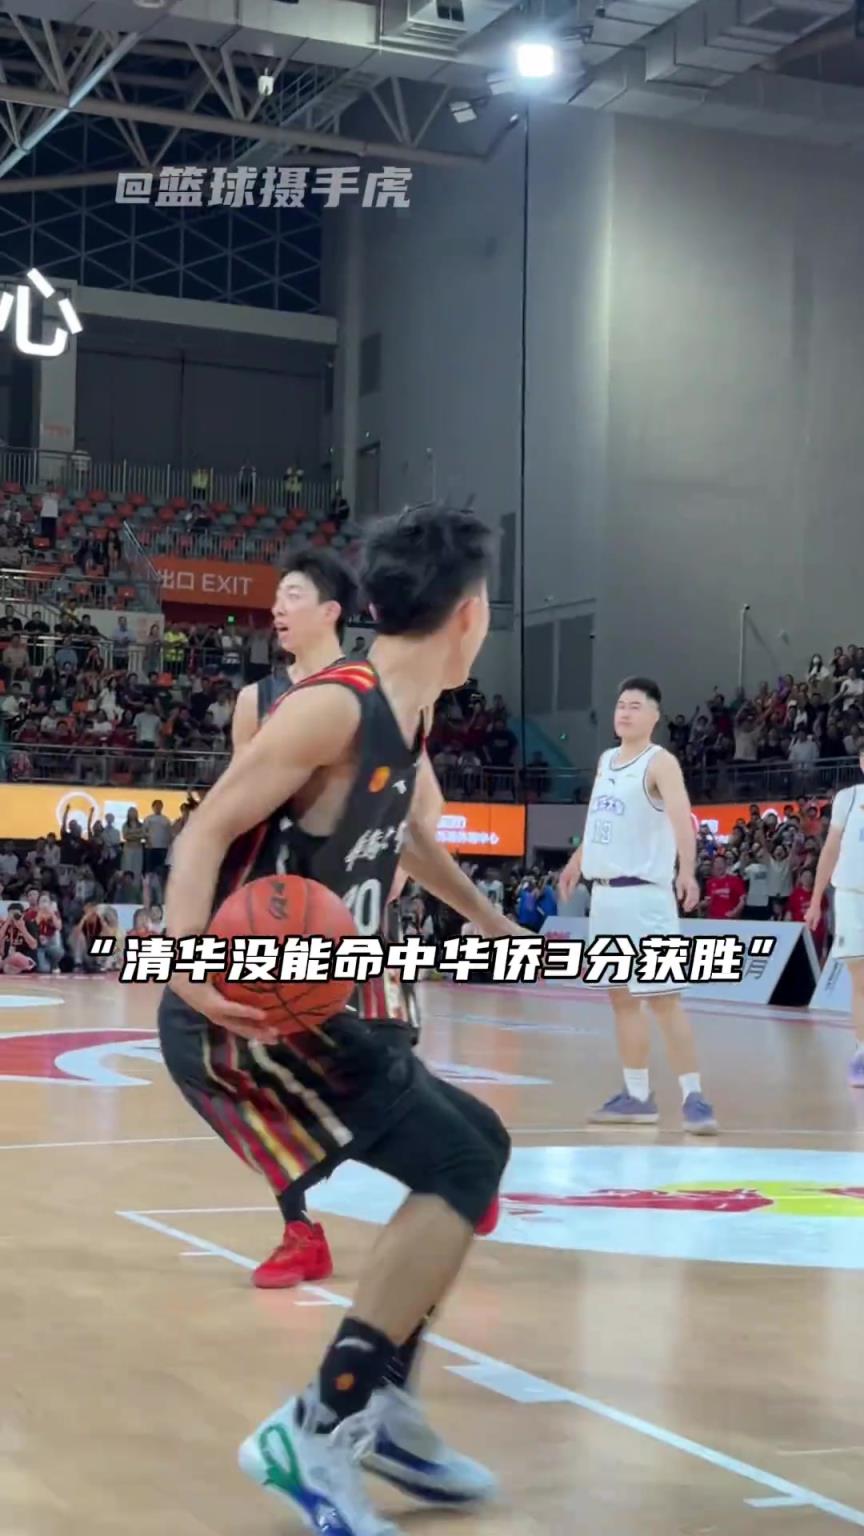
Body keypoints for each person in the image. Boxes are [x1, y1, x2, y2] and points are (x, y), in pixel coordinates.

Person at [159, 505, 514, 1529]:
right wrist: (184, 961)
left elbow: (405, 838)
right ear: (468, 613)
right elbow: (203, 832)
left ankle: (382, 1407)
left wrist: (491, 919)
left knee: (477, 1146)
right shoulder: (333, 709)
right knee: (459, 1161)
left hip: (313, 996)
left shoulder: (409, 716)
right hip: (245, 1009)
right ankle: (319, 1427)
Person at [559, 676, 717, 1135]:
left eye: (635, 706)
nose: (624, 712)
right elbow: (599, 823)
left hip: (646, 897)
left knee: (663, 1000)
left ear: (654, 716)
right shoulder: (606, 761)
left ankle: (694, 1097)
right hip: (605, 898)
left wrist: (687, 870)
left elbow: (682, 817)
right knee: (621, 999)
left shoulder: (660, 762)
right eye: (620, 705)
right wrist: (576, 861)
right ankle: (637, 1095)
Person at [806, 751, 864, 1085]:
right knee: (860, 978)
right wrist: (816, 901)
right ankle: (862, 1050)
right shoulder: (848, 798)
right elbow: (830, 850)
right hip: (852, 896)